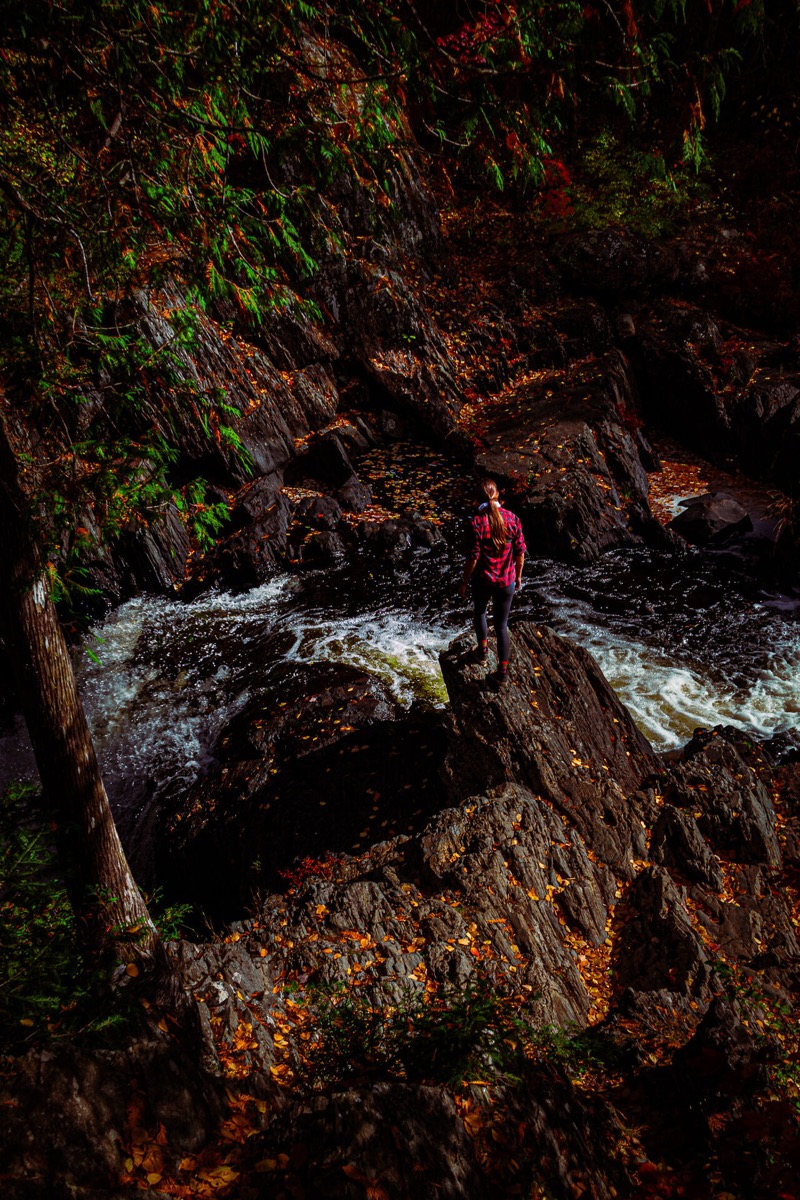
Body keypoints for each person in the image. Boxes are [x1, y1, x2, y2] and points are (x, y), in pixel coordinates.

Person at [458, 478, 526, 682]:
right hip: (507, 581)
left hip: (483, 580)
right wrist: (519, 576)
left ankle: (482, 652)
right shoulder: (513, 519)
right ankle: (502, 673)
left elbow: (473, 557)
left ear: (477, 499)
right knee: (502, 626)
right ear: (498, 495)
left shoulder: (476, 523)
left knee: (480, 612)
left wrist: (463, 582)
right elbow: (520, 553)